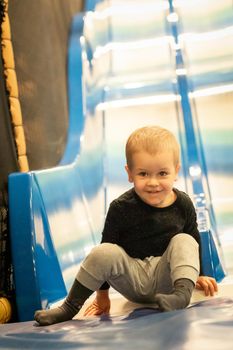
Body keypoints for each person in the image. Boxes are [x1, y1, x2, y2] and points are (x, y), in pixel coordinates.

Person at [34, 125, 218, 326]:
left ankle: (181, 296)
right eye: (143, 174)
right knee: (103, 251)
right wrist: (102, 296)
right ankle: (69, 307)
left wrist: (199, 275)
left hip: (168, 279)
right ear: (129, 173)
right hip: (132, 279)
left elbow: (194, 240)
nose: (153, 182)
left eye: (162, 173)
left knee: (185, 240)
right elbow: (106, 254)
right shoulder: (121, 208)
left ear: (176, 172)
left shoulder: (182, 204)